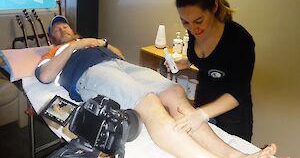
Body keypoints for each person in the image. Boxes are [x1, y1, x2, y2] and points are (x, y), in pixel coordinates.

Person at [35, 15, 279, 158]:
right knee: (149, 102)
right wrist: (76, 46)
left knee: (175, 92)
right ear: (51, 39)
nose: (62, 29)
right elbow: (45, 77)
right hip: (92, 74)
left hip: (119, 66)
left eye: (65, 26)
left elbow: (119, 55)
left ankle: (236, 156)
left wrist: (98, 43)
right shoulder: (52, 53)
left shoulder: (91, 43)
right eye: (56, 30)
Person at [170, 0, 255, 142]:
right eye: (185, 22)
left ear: (214, 6)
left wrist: (200, 114)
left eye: (198, 21)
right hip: (203, 105)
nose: (193, 29)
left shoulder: (239, 40)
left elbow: (238, 92)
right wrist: (185, 62)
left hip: (232, 118)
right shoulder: (196, 33)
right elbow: (207, 62)